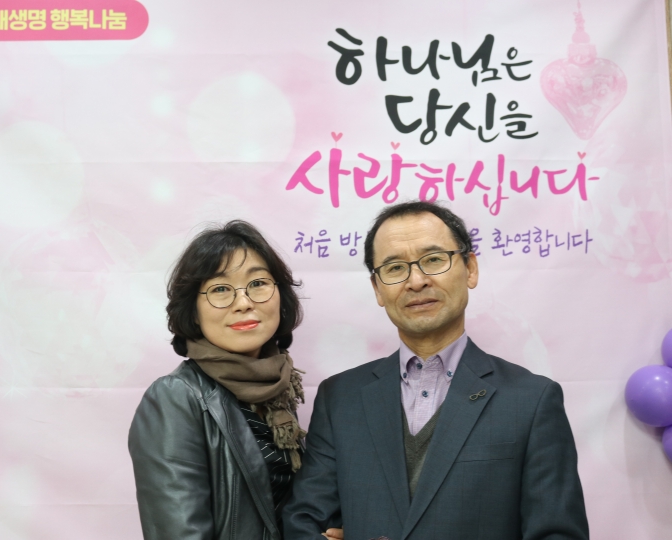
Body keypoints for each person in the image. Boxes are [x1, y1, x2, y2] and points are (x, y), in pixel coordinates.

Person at [283, 201, 588, 540]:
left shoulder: (531, 400)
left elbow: (557, 533)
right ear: (377, 288)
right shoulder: (340, 397)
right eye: (395, 268)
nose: (416, 281)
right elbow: (304, 521)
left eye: (433, 260)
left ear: (470, 269)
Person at [129, 221, 343, 540]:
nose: (243, 302)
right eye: (220, 289)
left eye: (258, 283)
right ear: (193, 310)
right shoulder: (175, 397)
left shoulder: (277, 392)